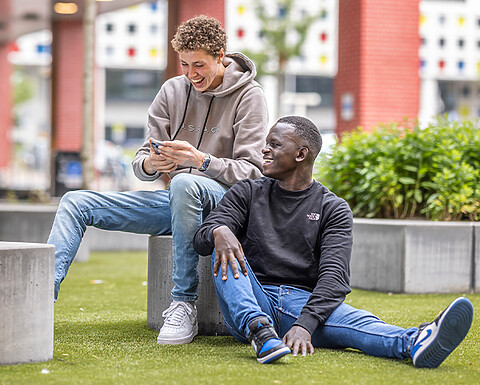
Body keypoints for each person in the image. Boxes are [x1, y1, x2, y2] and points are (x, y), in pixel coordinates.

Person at [48, 15, 268, 345]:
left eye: (199, 65)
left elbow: (252, 172)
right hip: (177, 203)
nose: (191, 74)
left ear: (220, 55)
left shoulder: (250, 96)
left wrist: (200, 161)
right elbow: (140, 162)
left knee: (184, 184)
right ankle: (41, 295)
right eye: (184, 64)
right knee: (75, 202)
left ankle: (183, 303)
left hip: (225, 206)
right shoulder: (172, 91)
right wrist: (152, 164)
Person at [193, 115, 474, 365]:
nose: (264, 149)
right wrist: (219, 230)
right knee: (227, 252)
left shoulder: (333, 208)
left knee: (359, 326)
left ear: (301, 154)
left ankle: (416, 342)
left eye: (275, 144)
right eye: (267, 143)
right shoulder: (248, 191)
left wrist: (305, 324)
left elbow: (334, 277)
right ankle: (259, 331)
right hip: (251, 293)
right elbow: (201, 239)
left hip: (302, 303)